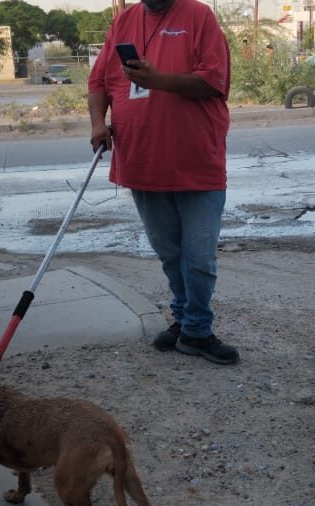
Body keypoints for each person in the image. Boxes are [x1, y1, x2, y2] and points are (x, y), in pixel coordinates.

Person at [87, 0, 239, 365]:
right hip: (142, 161)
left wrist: (158, 80)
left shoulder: (198, 15)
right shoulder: (123, 21)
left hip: (197, 162)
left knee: (199, 256)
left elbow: (213, 81)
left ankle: (198, 330)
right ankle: (185, 320)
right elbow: (99, 82)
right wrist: (97, 122)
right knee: (170, 253)